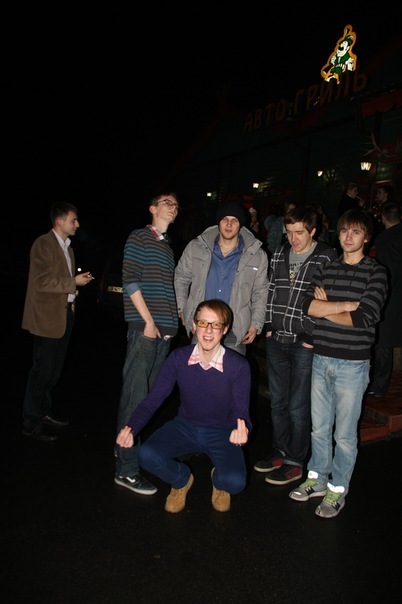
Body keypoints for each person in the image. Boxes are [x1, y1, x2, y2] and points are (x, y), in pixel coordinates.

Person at [289, 208, 388, 518]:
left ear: (366, 237)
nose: (348, 236)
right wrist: (344, 305)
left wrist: (326, 307)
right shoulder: (326, 267)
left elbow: (364, 318)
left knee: (344, 435)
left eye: (356, 231)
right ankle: (317, 478)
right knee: (319, 429)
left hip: (353, 365)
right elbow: (306, 306)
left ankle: (338, 489)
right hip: (321, 357)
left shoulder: (376, 272)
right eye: (344, 230)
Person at [116, 299, 251, 513]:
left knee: (235, 483)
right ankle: (181, 480)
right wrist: (132, 427)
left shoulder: (238, 366)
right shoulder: (178, 358)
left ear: (225, 329)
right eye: (203, 323)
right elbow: (154, 398)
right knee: (146, 454)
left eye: (216, 324)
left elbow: (241, 411)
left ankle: (219, 481)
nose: (208, 331)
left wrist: (242, 429)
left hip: (222, 430)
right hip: (185, 425)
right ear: (194, 325)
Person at [254, 206, 338, 485]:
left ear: (313, 231)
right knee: (277, 402)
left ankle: (294, 461)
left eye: (299, 232)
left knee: (298, 406)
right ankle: (280, 450)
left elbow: (327, 301)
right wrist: (268, 326)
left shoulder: (326, 256)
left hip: (304, 342)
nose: (293, 238)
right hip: (277, 338)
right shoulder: (280, 252)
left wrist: (310, 336)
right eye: (289, 232)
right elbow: (270, 290)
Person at [114, 193, 179, 496]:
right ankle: (126, 470)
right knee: (134, 399)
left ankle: (123, 449)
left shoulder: (167, 246)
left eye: (175, 204)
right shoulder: (139, 236)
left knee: (146, 401)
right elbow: (130, 280)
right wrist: (149, 322)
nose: (173, 206)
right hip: (145, 331)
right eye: (167, 201)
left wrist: (170, 324)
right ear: (152, 208)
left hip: (163, 334)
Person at [22, 201, 94, 442]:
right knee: (41, 372)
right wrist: (73, 282)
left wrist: (73, 297)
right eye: (73, 220)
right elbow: (40, 281)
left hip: (64, 316)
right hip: (46, 318)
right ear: (59, 221)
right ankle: (30, 422)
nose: (77, 224)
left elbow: (64, 282)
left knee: (53, 372)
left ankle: (44, 412)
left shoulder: (68, 249)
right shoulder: (43, 244)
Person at [174, 201, 269, 356]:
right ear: (218, 222)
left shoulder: (257, 255)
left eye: (234, 220)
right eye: (225, 219)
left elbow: (261, 291)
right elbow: (181, 278)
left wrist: (256, 324)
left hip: (234, 330)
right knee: (197, 371)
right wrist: (182, 309)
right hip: (202, 327)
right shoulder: (196, 247)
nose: (229, 224)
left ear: (240, 225)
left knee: (232, 372)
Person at [367, 202, 402, 396]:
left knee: (383, 342)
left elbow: (385, 271)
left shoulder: (384, 239)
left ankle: (379, 386)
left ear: (383, 218)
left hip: (391, 296)